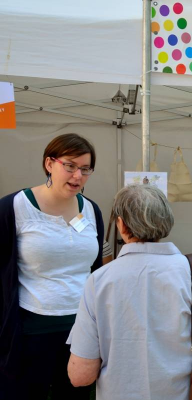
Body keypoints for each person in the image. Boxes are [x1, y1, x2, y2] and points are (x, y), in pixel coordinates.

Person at [67, 184, 192, 399]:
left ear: (121, 224)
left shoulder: (98, 281)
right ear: (166, 221)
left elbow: (81, 376)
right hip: (187, 394)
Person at [0, 133, 104, 399]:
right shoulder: (13, 208)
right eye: (70, 166)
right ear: (49, 163)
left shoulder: (91, 210)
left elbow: (95, 269)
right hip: (30, 328)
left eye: (85, 169)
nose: (77, 176)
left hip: (82, 328)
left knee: (74, 394)